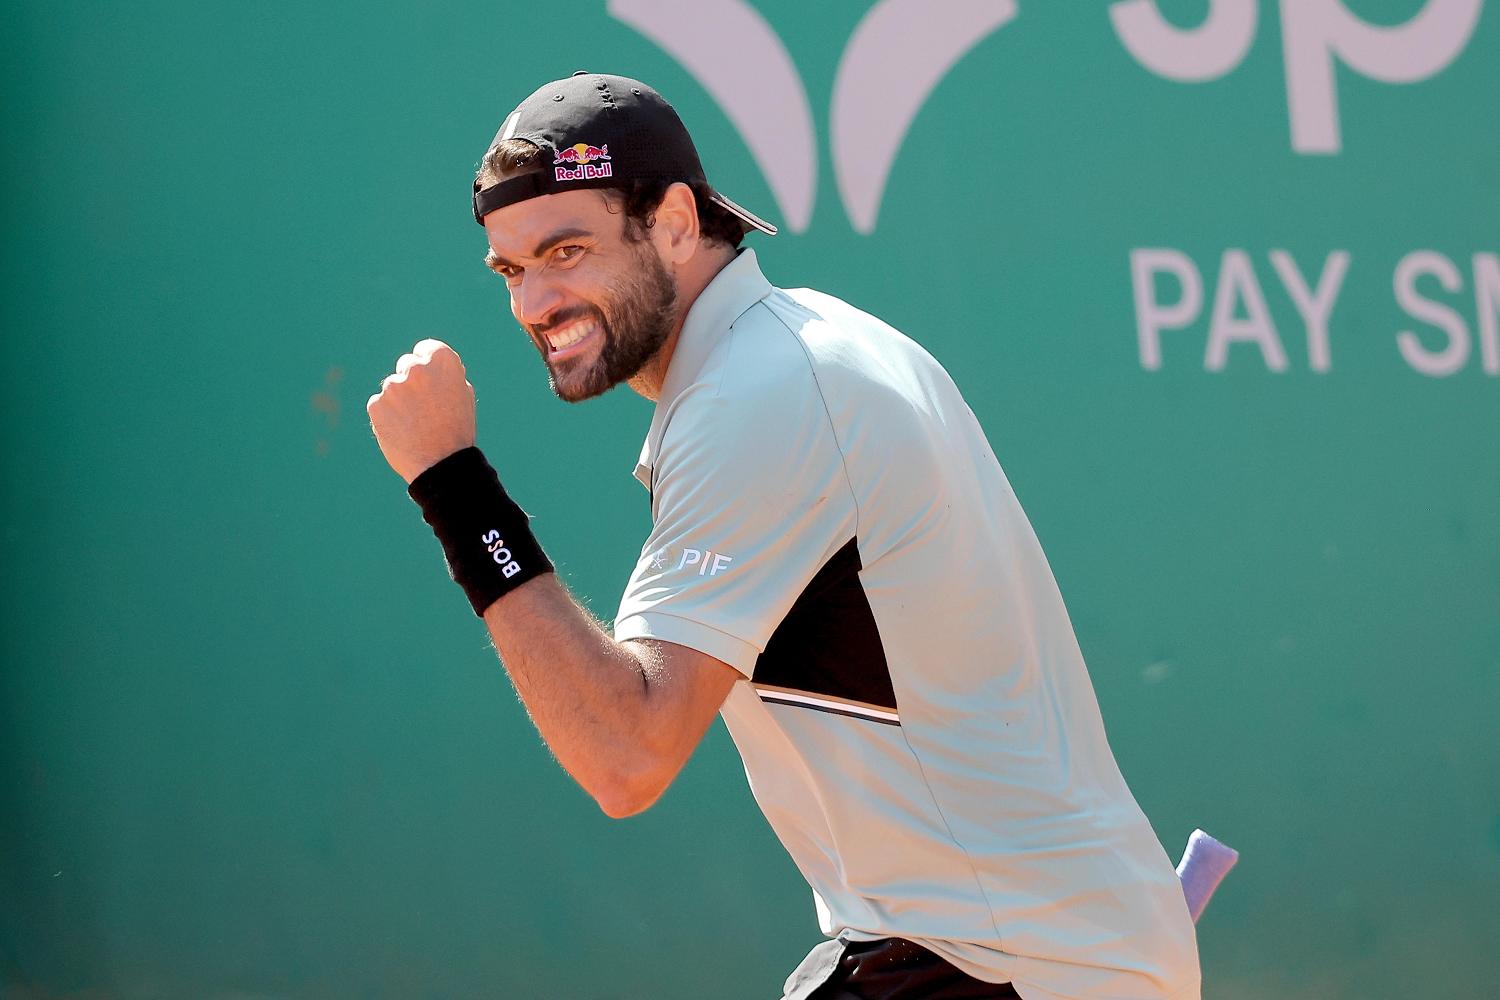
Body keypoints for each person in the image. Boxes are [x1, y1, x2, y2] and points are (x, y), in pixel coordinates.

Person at [367, 72, 1201, 1000]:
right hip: (1013, 948)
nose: (533, 302)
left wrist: (453, 485)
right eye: (513, 270)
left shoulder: (761, 394)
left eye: (566, 251)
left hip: (1005, 963)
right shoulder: (802, 350)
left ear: (674, 223)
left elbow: (624, 752)